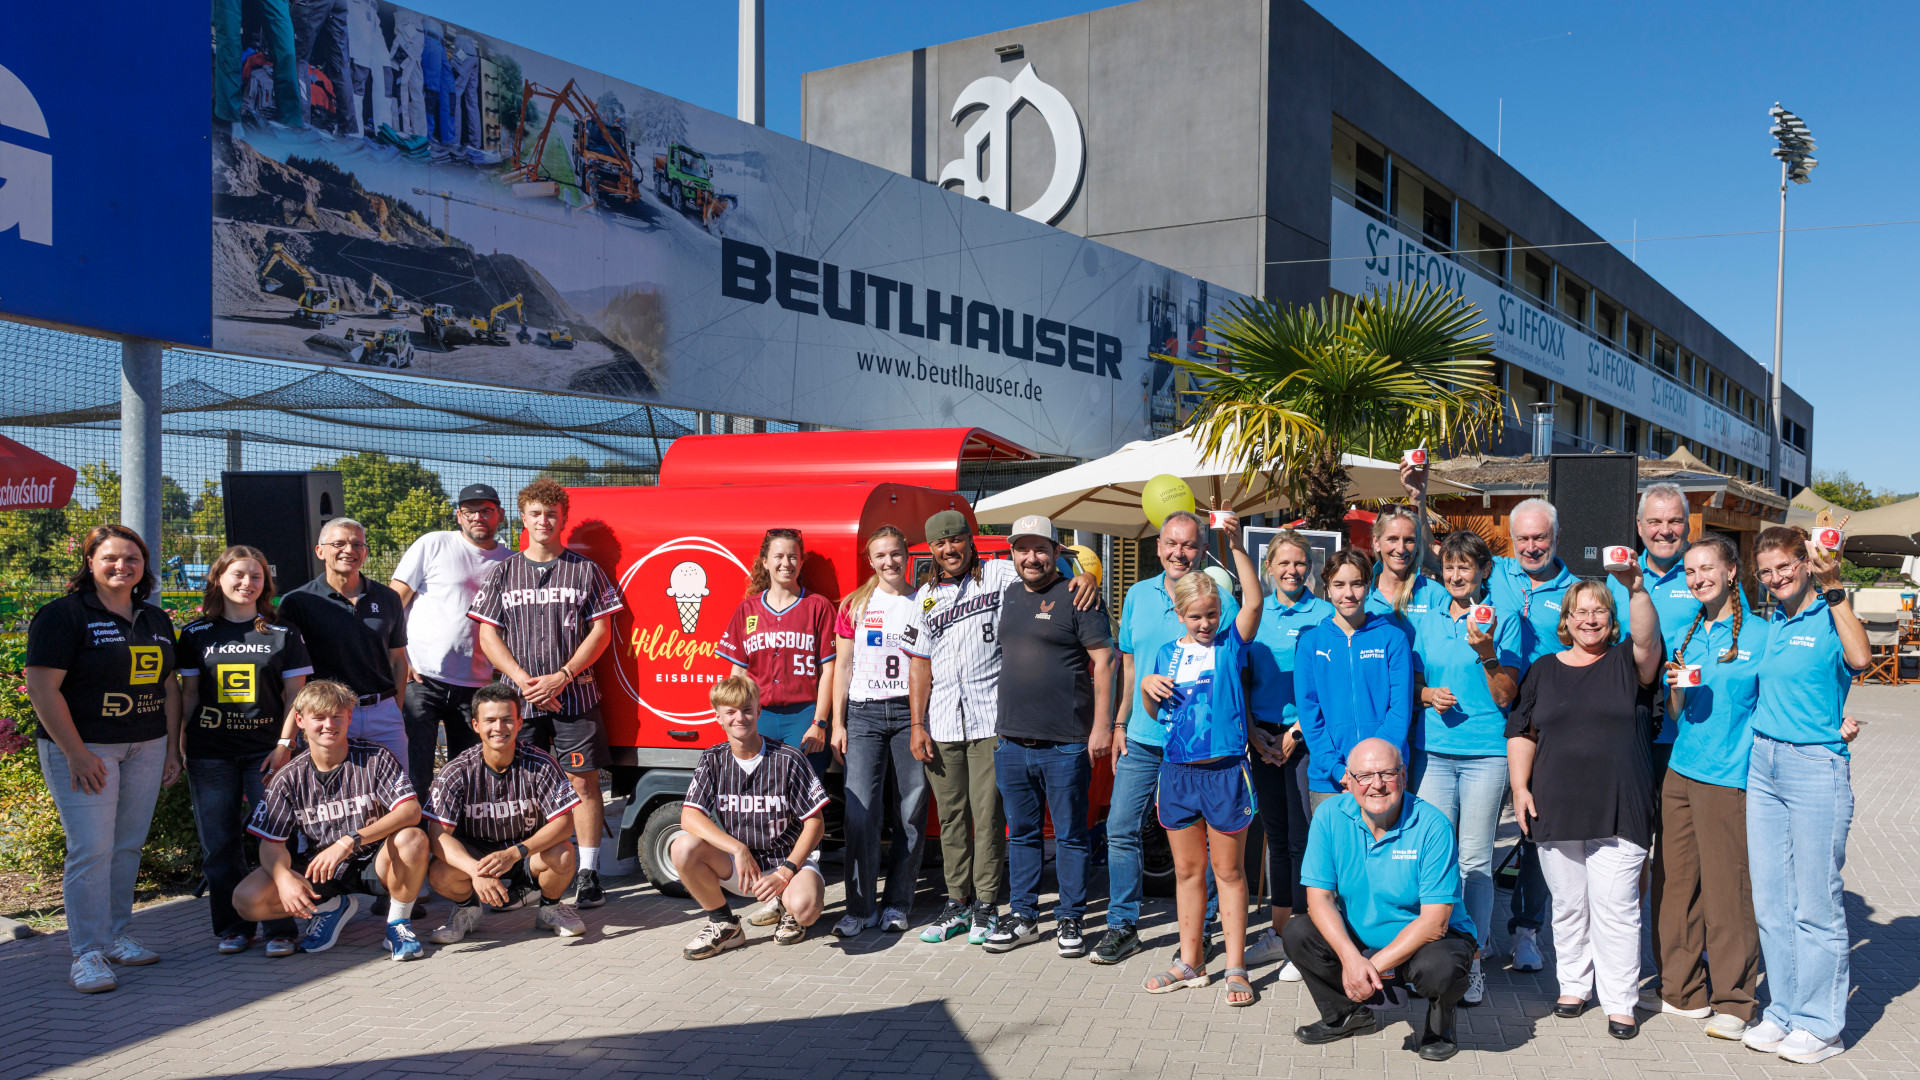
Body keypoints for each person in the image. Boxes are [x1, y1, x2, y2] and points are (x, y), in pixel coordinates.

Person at [908, 510, 1097, 946]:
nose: (949, 549)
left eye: (956, 540)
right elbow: (920, 663)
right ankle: (957, 901)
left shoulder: (998, 574)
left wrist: (1088, 577)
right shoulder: (925, 597)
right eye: (940, 543)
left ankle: (988, 905)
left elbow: (1057, 572)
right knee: (953, 817)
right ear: (932, 549)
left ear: (970, 541)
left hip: (992, 715)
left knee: (990, 816)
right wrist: (918, 723)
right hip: (941, 719)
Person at [23, 525, 183, 994]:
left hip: (146, 746)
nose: (122, 566)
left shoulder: (154, 618)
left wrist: (172, 747)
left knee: (127, 844)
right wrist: (74, 753)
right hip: (86, 749)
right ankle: (86, 953)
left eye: (132, 558)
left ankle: (116, 935)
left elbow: (168, 686)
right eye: (110, 558)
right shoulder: (62, 615)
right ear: (90, 562)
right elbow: (41, 688)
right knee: (91, 849)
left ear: (143, 566)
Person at [1507, 571, 1662, 1039]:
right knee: (1570, 905)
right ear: (1566, 620)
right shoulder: (1543, 670)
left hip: (1621, 805)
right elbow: (1521, 730)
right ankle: (1573, 986)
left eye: (1599, 611)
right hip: (1555, 806)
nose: (1590, 619)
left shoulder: (1628, 664)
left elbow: (1649, 638)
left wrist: (1636, 589)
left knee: (1615, 907)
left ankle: (1620, 1001)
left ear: (1612, 620)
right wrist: (1520, 788)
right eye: (1581, 611)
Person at [1740, 526, 1871, 1064]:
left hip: (1815, 767)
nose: (1775, 579)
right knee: (1772, 901)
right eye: (1766, 572)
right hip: (1764, 764)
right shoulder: (1772, 621)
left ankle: (1823, 1024)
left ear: (1805, 563)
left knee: (1816, 903)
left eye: (1785, 568)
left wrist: (1836, 587)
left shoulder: (1829, 612)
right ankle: (1786, 1011)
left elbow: (1861, 659)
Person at [470, 478, 624, 909]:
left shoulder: (584, 569)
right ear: (524, 517)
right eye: (536, 513)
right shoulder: (503, 571)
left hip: (574, 696)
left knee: (582, 783)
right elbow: (488, 635)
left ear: (563, 520)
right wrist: (524, 682)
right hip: (520, 702)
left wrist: (563, 675)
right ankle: (524, 872)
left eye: (551, 514)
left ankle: (590, 873)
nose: (543, 521)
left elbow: (601, 630)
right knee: (524, 787)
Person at [1284, 738, 1477, 1062]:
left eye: (1387, 774)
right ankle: (1346, 1015)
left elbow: (1435, 922)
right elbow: (1318, 899)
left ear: (1403, 775)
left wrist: (1370, 967)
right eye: (1365, 775)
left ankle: (1440, 1028)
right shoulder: (1329, 816)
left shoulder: (1433, 825)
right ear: (1348, 779)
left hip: (1428, 938)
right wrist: (1350, 958)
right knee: (1298, 933)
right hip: (1363, 932)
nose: (1377, 785)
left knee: (1440, 967)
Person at [1099, 509, 1236, 965]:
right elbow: (1131, 668)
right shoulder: (1137, 595)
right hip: (1142, 736)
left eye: (1190, 545)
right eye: (1171, 544)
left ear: (1201, 549)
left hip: (1199, 745)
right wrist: (1119, 722)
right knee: (1120, 828)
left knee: (1208, 840)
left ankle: (1207, 925)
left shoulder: (1219, 597)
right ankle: (1123, 924)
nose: (1180, 553)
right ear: (1158, 547)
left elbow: (1235, 667)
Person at [1138, 507, 1262, 1005]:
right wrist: (1146, 687)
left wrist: (1232, 543)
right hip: (1177, 773)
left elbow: (1253, 599)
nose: (1206, 623)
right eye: (1197, 616)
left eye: (1213, 614)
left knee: (1229, 874)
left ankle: (1236, 966)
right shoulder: (1166, 652)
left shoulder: (1232, 643)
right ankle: (1190, 961)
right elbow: (1152, 707)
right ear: (1180, 614)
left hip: (1226, 771)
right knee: (1188, 874)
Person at [983, 515, 1114, 957]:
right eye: (1023, 548)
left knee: (1071, 835)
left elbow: (1106, 662)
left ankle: (1071, 919)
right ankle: (1023, 917)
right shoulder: (1010, 594)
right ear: (1013, 553)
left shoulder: (1079, 596)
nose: (1031, 557)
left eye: (1041, 548)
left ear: (1057, 552)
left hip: (1066, 743)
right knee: (1020, 833)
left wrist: (1102, 725)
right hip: (1012, 741)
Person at [1650, 535, 1764, 1040]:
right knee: (1675, 886)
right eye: (1691, 571)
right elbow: (1677, 712)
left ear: (1732, 571)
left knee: (1727, 892)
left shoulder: (1762, 634)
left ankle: (1735, 1001)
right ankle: (1682, 989)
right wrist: (1676, 689)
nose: (1698, 578)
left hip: (1729, 777)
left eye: (1707, 569)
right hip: (1681, 771)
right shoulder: (1689, 633)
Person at [177, 546, 312, 956]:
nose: (246, 583)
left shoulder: (282, 634)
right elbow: (188, 696)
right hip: (210, 753)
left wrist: (286, 745)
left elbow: (296, 696)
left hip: (266, 755)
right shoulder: (196, 634)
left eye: (255, 577)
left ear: (265, 585)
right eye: (237, 575)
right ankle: (234, 927)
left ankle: (279, 927)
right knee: (218, 845)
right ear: (218, 578)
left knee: (276, 841)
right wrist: (180, 743)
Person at [1408, 529, 1524, 1007]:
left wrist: (1486, 650)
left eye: (1466, 567)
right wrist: (1426, 695)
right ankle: (1432, 956)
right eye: (1450, 567)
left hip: (1484, 755)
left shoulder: (1503, 617)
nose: (1456, 575)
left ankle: (1473, 961)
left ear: (1483, 571)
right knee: (1435, 860)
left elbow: (1506, 695)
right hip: (1432, 752)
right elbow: (1408, 677)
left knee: (1475, 861)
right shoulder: (1425, 612)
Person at [233, 680, 430, 961]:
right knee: (247, 900)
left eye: (337, 715)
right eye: (319, 717)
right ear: (300, 720)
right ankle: (329, 908)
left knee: (413, 838)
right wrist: (283, 878)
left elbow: (410, 811)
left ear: (350, 717)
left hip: (375, 860)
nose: (329, 724)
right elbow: (270, 843)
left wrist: (350, 840)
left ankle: (398, 924)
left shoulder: (375, 757)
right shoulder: (287, 777)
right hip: (320, 867)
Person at [1484, 496, 1582, 973]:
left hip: (1546, 723)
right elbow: (1431, 560)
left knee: (1534, 832)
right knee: (1481, 831)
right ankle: (1475, 929)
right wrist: (1418, 498)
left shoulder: (1575, 590)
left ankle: (1527, 931)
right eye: (1522, 538)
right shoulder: (1495, 572)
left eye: (1539, 537)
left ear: (1556, 538)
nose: (1530, 546)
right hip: (1490, 719)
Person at [672, 676, 830, 957]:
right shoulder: (713, 759)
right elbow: (689, 817)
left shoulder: (788, 758)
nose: (739, 718)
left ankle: (788, 907)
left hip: (787, 865)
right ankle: (724, 924)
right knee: (682, 847)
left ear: (758, 711)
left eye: (746, 709)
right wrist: (737, 848)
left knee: (805, 910)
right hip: (743, 868)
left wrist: (786, 872)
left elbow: (815, 824)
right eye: (730, 712)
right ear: (717, 717)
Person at [422, 683, 585, 943]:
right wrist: (475, 872)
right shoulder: (456, 771)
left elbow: (565, 824)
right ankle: (467, 910)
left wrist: (515, 852)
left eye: (507, 720)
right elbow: (438, 836)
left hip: (524, 852)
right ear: (475, 725)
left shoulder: (541, 763)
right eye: (490, 720)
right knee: (439, 874)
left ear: (520, 722)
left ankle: (550, 908)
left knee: (564, 852)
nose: (499, 728)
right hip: (477, 856)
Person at [830, 525, 930, 939]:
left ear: (906, 554)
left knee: (910, 809)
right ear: (870, 561)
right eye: (880, 555)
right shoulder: (855, 604)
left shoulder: (925, 600)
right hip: (865, 714)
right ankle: (859, 908)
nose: (889, 561)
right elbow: (843, 666)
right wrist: (837, 722)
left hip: (909, 713)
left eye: (895, 553)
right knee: (860, 811)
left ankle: (897, 903)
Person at [1242, 530, 1332, 980]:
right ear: (1269, 567)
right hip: (1261, 739)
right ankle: (1279, 935)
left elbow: (1326, 684)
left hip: (1305, 737)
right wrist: (1254, 734)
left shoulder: (1324, 613)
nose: (1292, 571)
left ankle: (1302, 935)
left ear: (1310, 567)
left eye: (1300, 563)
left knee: (1302, 839)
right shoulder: (1254, 615)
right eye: (1284, 563)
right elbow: (1241, 678)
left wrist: (1296, 731)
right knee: (1276, 839)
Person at [391, 483, 512, 796]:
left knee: (466, 777)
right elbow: (394, 602)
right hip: (422, 680)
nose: (478, 517)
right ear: (458, 516)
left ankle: (456, 842)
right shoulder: (433, 544)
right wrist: (400, 658)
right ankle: (414, 842)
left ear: (499, 515)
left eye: (486, 510)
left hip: (476, 687)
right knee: (414, 774)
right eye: (470, 511)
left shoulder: (512, 562)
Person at [278, 518, 409, 765]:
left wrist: (395, 710)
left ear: (365, 552)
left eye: (357, 545)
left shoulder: (388, 598)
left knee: (396, 794)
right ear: (320, 551)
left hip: (382, 714)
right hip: (326, 717)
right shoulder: (297, 601)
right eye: (338, 543)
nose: (349, 550)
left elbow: (398, 661)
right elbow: (290, 671)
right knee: (331, 795)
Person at [1296, 548, 1413, 812]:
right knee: (1337, 853)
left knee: (1385, 851)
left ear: (1368, 586)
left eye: (1357, 584)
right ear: (1327, 589)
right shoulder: (1310, 643)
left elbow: (1399, 710)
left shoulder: (1392, 639)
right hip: (1331, 780)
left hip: (1385, 778)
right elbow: (1310, 715)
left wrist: (1376, 771)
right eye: (1339, 585)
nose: (1348, 594)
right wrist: (1338, 769)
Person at [718, 528, 836, 772]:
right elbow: (738, 672)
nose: (786, 563)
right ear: (765, 562)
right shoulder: (747, 609)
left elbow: (829, 671)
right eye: (779, 556)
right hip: (758, 715)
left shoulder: (818, 606)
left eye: (793, 556)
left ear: (801, 562)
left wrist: (820, 722)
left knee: (803, 794)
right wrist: (733, 716)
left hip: (805, 715)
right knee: (761, 791)